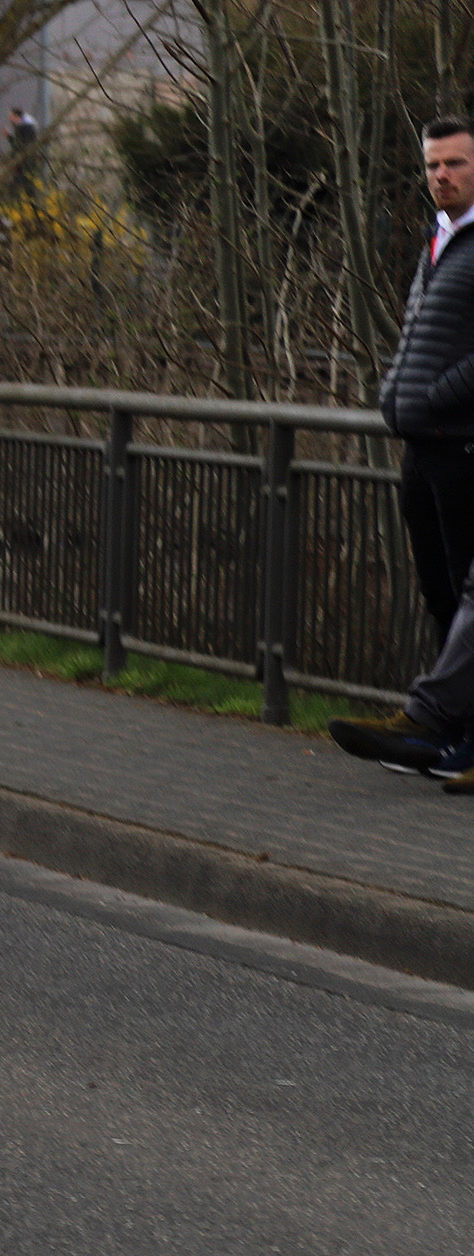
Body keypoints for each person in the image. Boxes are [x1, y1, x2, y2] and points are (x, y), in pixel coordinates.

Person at [339, 116, 474, 785]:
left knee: (466, 588)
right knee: (442, 592)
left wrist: (437, 397)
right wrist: (396, 394)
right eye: (432, 165)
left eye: (454, 163)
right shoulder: (438, 239)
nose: (441, 175)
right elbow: (416, 334)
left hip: (460, 441)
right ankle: (446, 733)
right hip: (421, 442)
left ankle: (451, 730)